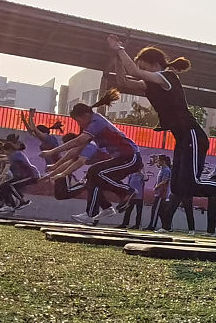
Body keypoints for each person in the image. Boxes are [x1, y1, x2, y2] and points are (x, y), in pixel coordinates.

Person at [107, 39, 216, 230]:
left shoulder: (166, 77)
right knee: (178, 187)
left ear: (154, 64)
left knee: (192, 182)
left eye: (144, 67)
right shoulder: (150, 84)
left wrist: (119, 48)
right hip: (182, 139)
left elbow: (133, 72)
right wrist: (118, 57)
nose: (142, 71)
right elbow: (123, 82)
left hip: (193, 134)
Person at [41, 91, 142, 225]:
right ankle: (103, 208)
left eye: (78, 121)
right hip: (121, 158)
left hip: (131, 157)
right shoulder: (91, 124)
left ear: (86, 115)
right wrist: (55, 166)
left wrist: (53, 151)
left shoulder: (96, 122)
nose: (80, 124)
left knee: (94, 173)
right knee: (92, 176)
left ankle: (127, 191)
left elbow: (77, 142)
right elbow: (75, 151)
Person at [148, 154, 172, 232]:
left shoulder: (166, 170)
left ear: (163, 161)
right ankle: (166, 226)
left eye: (158, 160)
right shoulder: (162, 170)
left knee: (156, 210)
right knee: (161, 211)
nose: (157, 162)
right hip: (159, 193)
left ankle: (152, 226)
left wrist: (157, 187)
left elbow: (165, 181)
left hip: (162, 193)